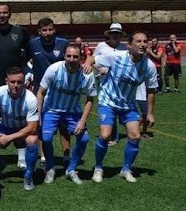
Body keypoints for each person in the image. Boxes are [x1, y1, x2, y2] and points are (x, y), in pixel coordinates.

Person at [89, 31, 157, 183]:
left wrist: (150, 113)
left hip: (128, 105)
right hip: (108, 102)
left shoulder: (149, 66)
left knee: (135, 136)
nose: (143, 44)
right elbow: (92, 58)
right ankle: (98, 167)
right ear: (129, 45)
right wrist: (88, 64)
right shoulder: (117, 56)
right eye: (138, 41)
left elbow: (151, 90)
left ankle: (126, 169)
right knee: (105, 136)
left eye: (145, 41)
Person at [36, 45, 97, 185]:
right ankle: (51, 169)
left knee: (84, 139)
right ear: (64, 56)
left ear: (80, 58)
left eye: (75, 56)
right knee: (46, 138)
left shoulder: (87, 74)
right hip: (51, 109)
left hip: (73, 111)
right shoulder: (54, 69)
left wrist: (82, 121)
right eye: (69, 56)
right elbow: (40, 93)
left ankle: (71, 169)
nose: (71, 59)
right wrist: (38, 116)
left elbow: (90, 99)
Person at [0, 3, 29, 165]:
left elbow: (28, 52)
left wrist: (22, 72)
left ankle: (21, 156)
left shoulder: (19, 32)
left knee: (19, 119)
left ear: (10, 14)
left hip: (15, 84)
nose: (2, 15)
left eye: (5, 13)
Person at [0, 67, 40, 191]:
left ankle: (28, 175)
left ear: (24, 82)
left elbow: (33, 126)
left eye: (19, 82)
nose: (16, 85)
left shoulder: (31, 99)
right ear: (6, 81)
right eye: (12, 82)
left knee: (32, 140)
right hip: (5, 127)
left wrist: (8, 138)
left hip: (24, 128)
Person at [27, 17, 70, 170]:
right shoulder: (32, 44)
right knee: (40, 124)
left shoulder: (63, 43)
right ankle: (44, 156)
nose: (47, 33)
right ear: (39, 32)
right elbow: (24, 60)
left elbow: (72, 62)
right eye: (44, 30)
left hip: (61, 91)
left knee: (63, 125)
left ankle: (66, 156)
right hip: (40, 91)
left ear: (54, 29)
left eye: (50, 29)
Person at [93, 23, 128, 147]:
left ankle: (114, 134)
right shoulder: (101, 46)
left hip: (118, 83)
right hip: (103, 82)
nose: (115, 36)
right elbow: (92, 60)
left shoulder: (124, 48)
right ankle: (111, 135)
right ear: (109, 34)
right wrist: (99, 69)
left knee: (117, 106)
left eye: (117, 34)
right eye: (113, 33)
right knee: (107, 106)